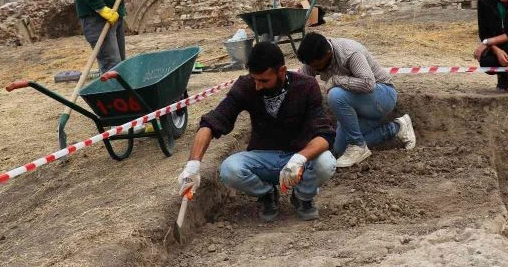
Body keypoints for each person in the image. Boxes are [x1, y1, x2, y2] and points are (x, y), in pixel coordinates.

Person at [177, 42, 337, 222]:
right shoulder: (246, 86)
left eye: (264, 80)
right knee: (229, 169)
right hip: (263, 157)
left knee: (326, 162)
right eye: (254, 79)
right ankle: (267, 194)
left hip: (298, 157)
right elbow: (212, 122)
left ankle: (303, 197)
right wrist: (193, 164)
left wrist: (300, 158)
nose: (258, 86)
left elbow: (324, 135)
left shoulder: (306, 86)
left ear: (282, 71)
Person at [296, 32, 416, 168]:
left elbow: (368, 84)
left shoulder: (350, 53)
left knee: (335, 94)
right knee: (340, 149)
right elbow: (304, 85)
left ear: (328, 53)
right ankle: (397, 128)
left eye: (316, 65)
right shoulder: (312, 60)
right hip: (356, 105)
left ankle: (357, 145)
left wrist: (337, 80)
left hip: (383, 96)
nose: (314, 69)